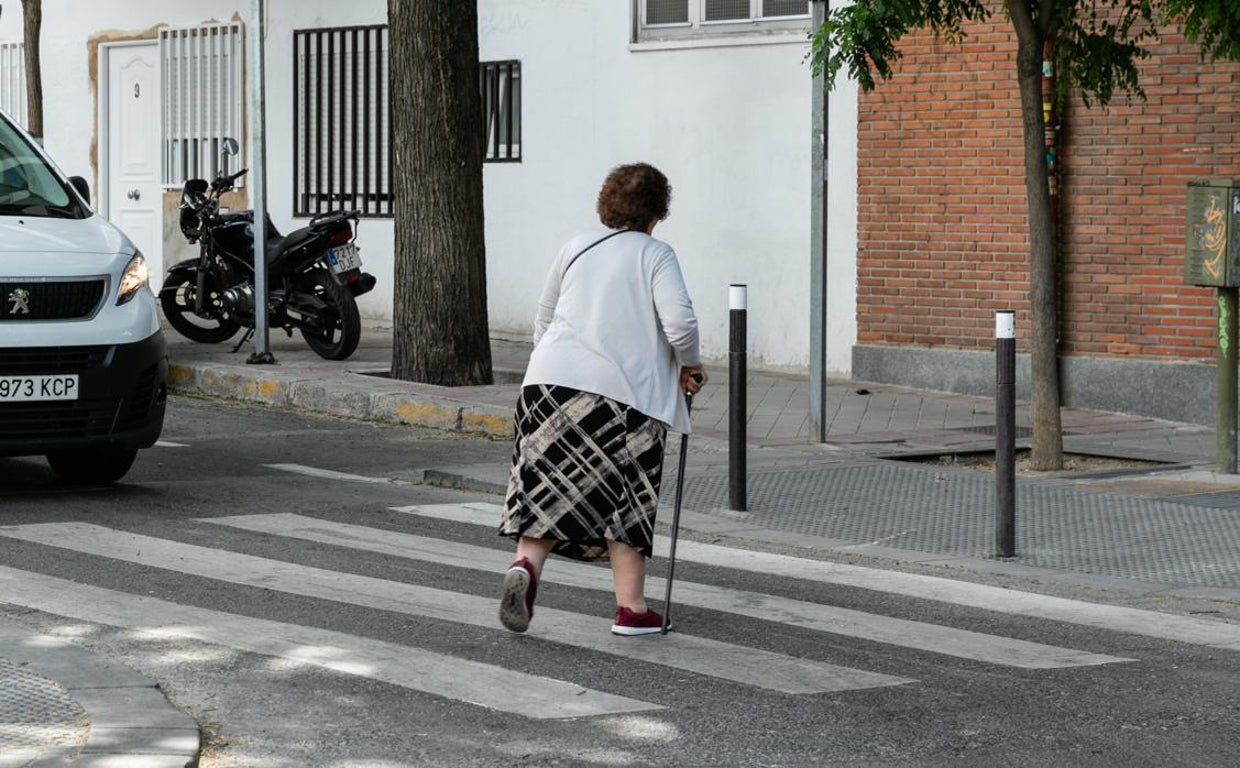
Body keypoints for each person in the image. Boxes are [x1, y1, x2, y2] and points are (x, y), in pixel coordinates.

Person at [498, 162, 707, 637]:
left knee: (547, 489)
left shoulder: (575, 247)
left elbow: (544, 317)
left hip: (546, 384)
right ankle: (631, 609)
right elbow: (680, 325)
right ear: (658, 211)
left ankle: (526, 567)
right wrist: (690, 364)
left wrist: (552, 365)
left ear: (607, 204)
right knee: (626, 497)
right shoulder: (656, 253)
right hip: (622, 395)